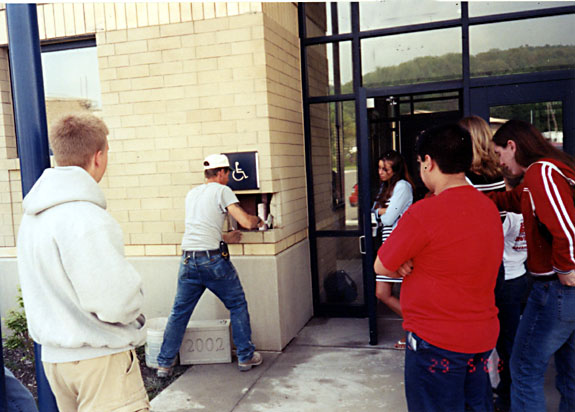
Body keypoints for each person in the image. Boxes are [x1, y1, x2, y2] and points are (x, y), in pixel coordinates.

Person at [17, 113, 149, 411]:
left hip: (56, 361)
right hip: (100, 362)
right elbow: (117, 303)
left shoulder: (32, 218)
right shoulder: (88, 218)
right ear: (98, 157)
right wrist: (137, 313)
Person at [374, 123, 503, 412]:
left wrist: (408, 263)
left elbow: (381, 264)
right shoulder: (487, 208)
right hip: (481, 338)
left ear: (428, 162)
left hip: (437, 341)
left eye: (420, 163)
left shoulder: (425, 212)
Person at [489, 119, 575, 412]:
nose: (500, 162)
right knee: (570, 372)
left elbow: (566, 227)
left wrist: (567, 270)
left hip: (556, 289)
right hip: (563, 292)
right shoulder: (542, 176)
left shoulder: (542, 172)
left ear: (512, 146)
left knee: (523, 368)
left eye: (500, 153)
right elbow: (512, 199)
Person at [157, 154, 264, 377]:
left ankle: (164, 363)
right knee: (236, 304)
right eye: (227, 173)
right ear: (222, 172)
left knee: (179, 312)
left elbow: (202, 228)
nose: (228, 177)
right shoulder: (222, 190)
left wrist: (224, 237)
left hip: (188, 259)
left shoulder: (193, 193)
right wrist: (258, 220)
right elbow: (245, 222)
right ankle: (245, 357)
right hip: (213, 261)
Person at [493, 173, 529, 412]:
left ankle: (506, 394)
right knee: (513, 340)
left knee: (504, 344)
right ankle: (509, 389)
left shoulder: (507, 216)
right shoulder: (529, 209)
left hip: (505, 281)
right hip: (522, 277)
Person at [372, 150, 414, 349]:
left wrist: (379, 213)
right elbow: (372, 211)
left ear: (395, 170)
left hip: (399, 245)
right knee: (382, 293)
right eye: (379, 168)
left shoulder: (402, 187)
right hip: (387, 243)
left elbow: (387, 218)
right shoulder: (385, 188)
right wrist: (380, 212)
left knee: (403, 293)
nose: (380, 172)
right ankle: (415, 328)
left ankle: (415, 330)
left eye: (385, 169)